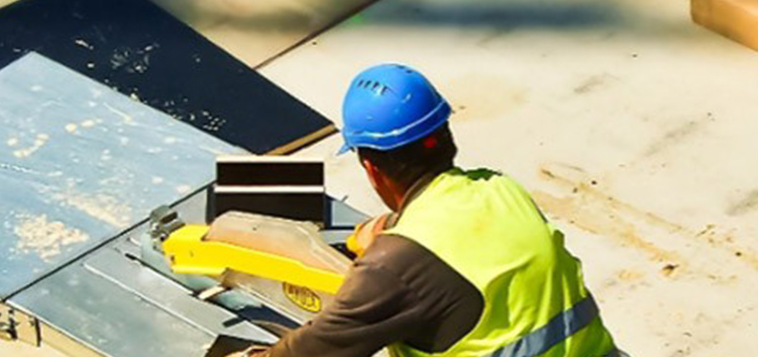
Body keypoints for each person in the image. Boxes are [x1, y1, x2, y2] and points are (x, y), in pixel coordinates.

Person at [244, 63, 618, 357]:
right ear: (444, 136)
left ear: (371, 167)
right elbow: (459, 240)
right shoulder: (502, 190)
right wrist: (392, 229)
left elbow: (318, 350)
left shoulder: (394, 268)